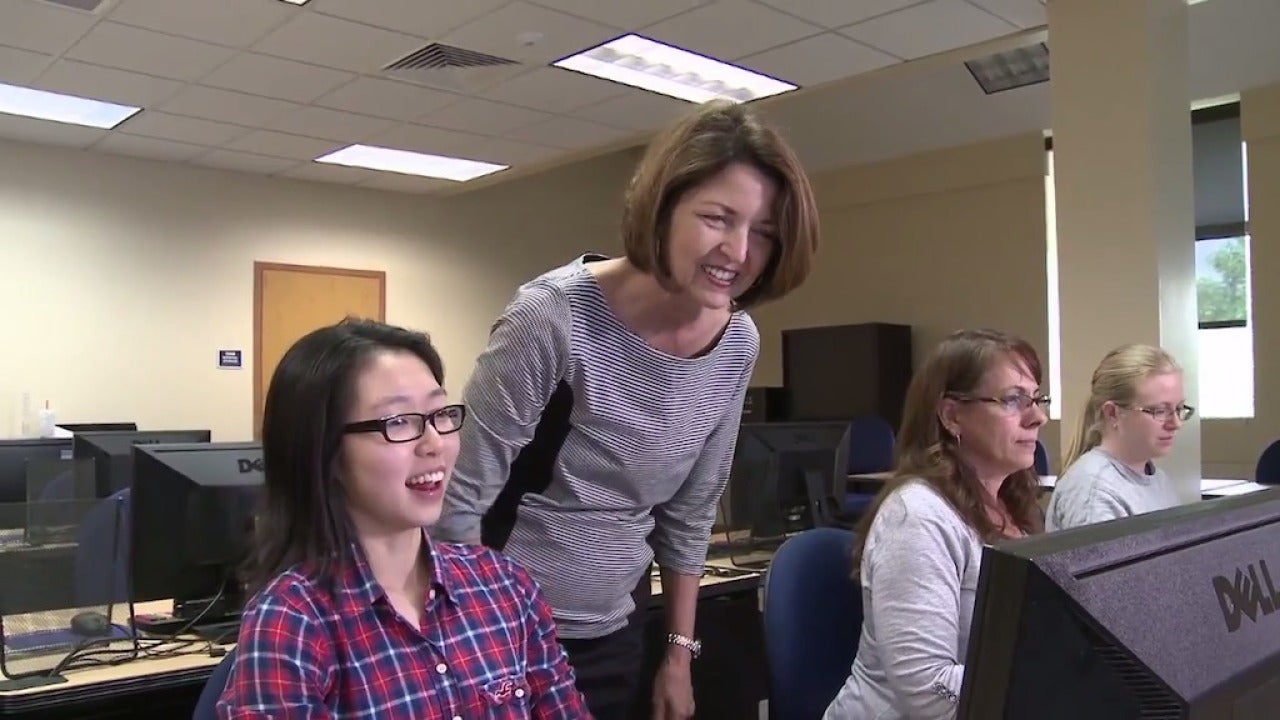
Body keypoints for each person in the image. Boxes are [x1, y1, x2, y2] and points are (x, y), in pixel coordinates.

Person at [430, 99, 820, 719]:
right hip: (508, 630)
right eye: (718, 219)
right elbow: (458, 503)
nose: (739, 251)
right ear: (662, 207)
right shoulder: (553, 318)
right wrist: (478, 647)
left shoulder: (738, 341)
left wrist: (678, 657)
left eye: (764, 232)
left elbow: (690, 516)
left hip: (621, 624)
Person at [216, 318, 588, 719]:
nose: (434, 444)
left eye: (440, 413)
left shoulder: (505, 586)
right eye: (398, 422)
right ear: (325, 450)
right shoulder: (290, 622)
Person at [824, 329, 1048, 720]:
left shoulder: (1018, 507)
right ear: (951, 415)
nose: (1038, 417)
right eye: (1014, 400)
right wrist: (1051, 680)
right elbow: (930, 695)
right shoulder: (917, 517)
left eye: (1037, 399)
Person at [1044, 344, 1191, 532]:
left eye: (1179, 408)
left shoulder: (1158, 479)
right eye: (1160, 411)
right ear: (1113, 413)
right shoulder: (1094, 491)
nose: (1176, 423)